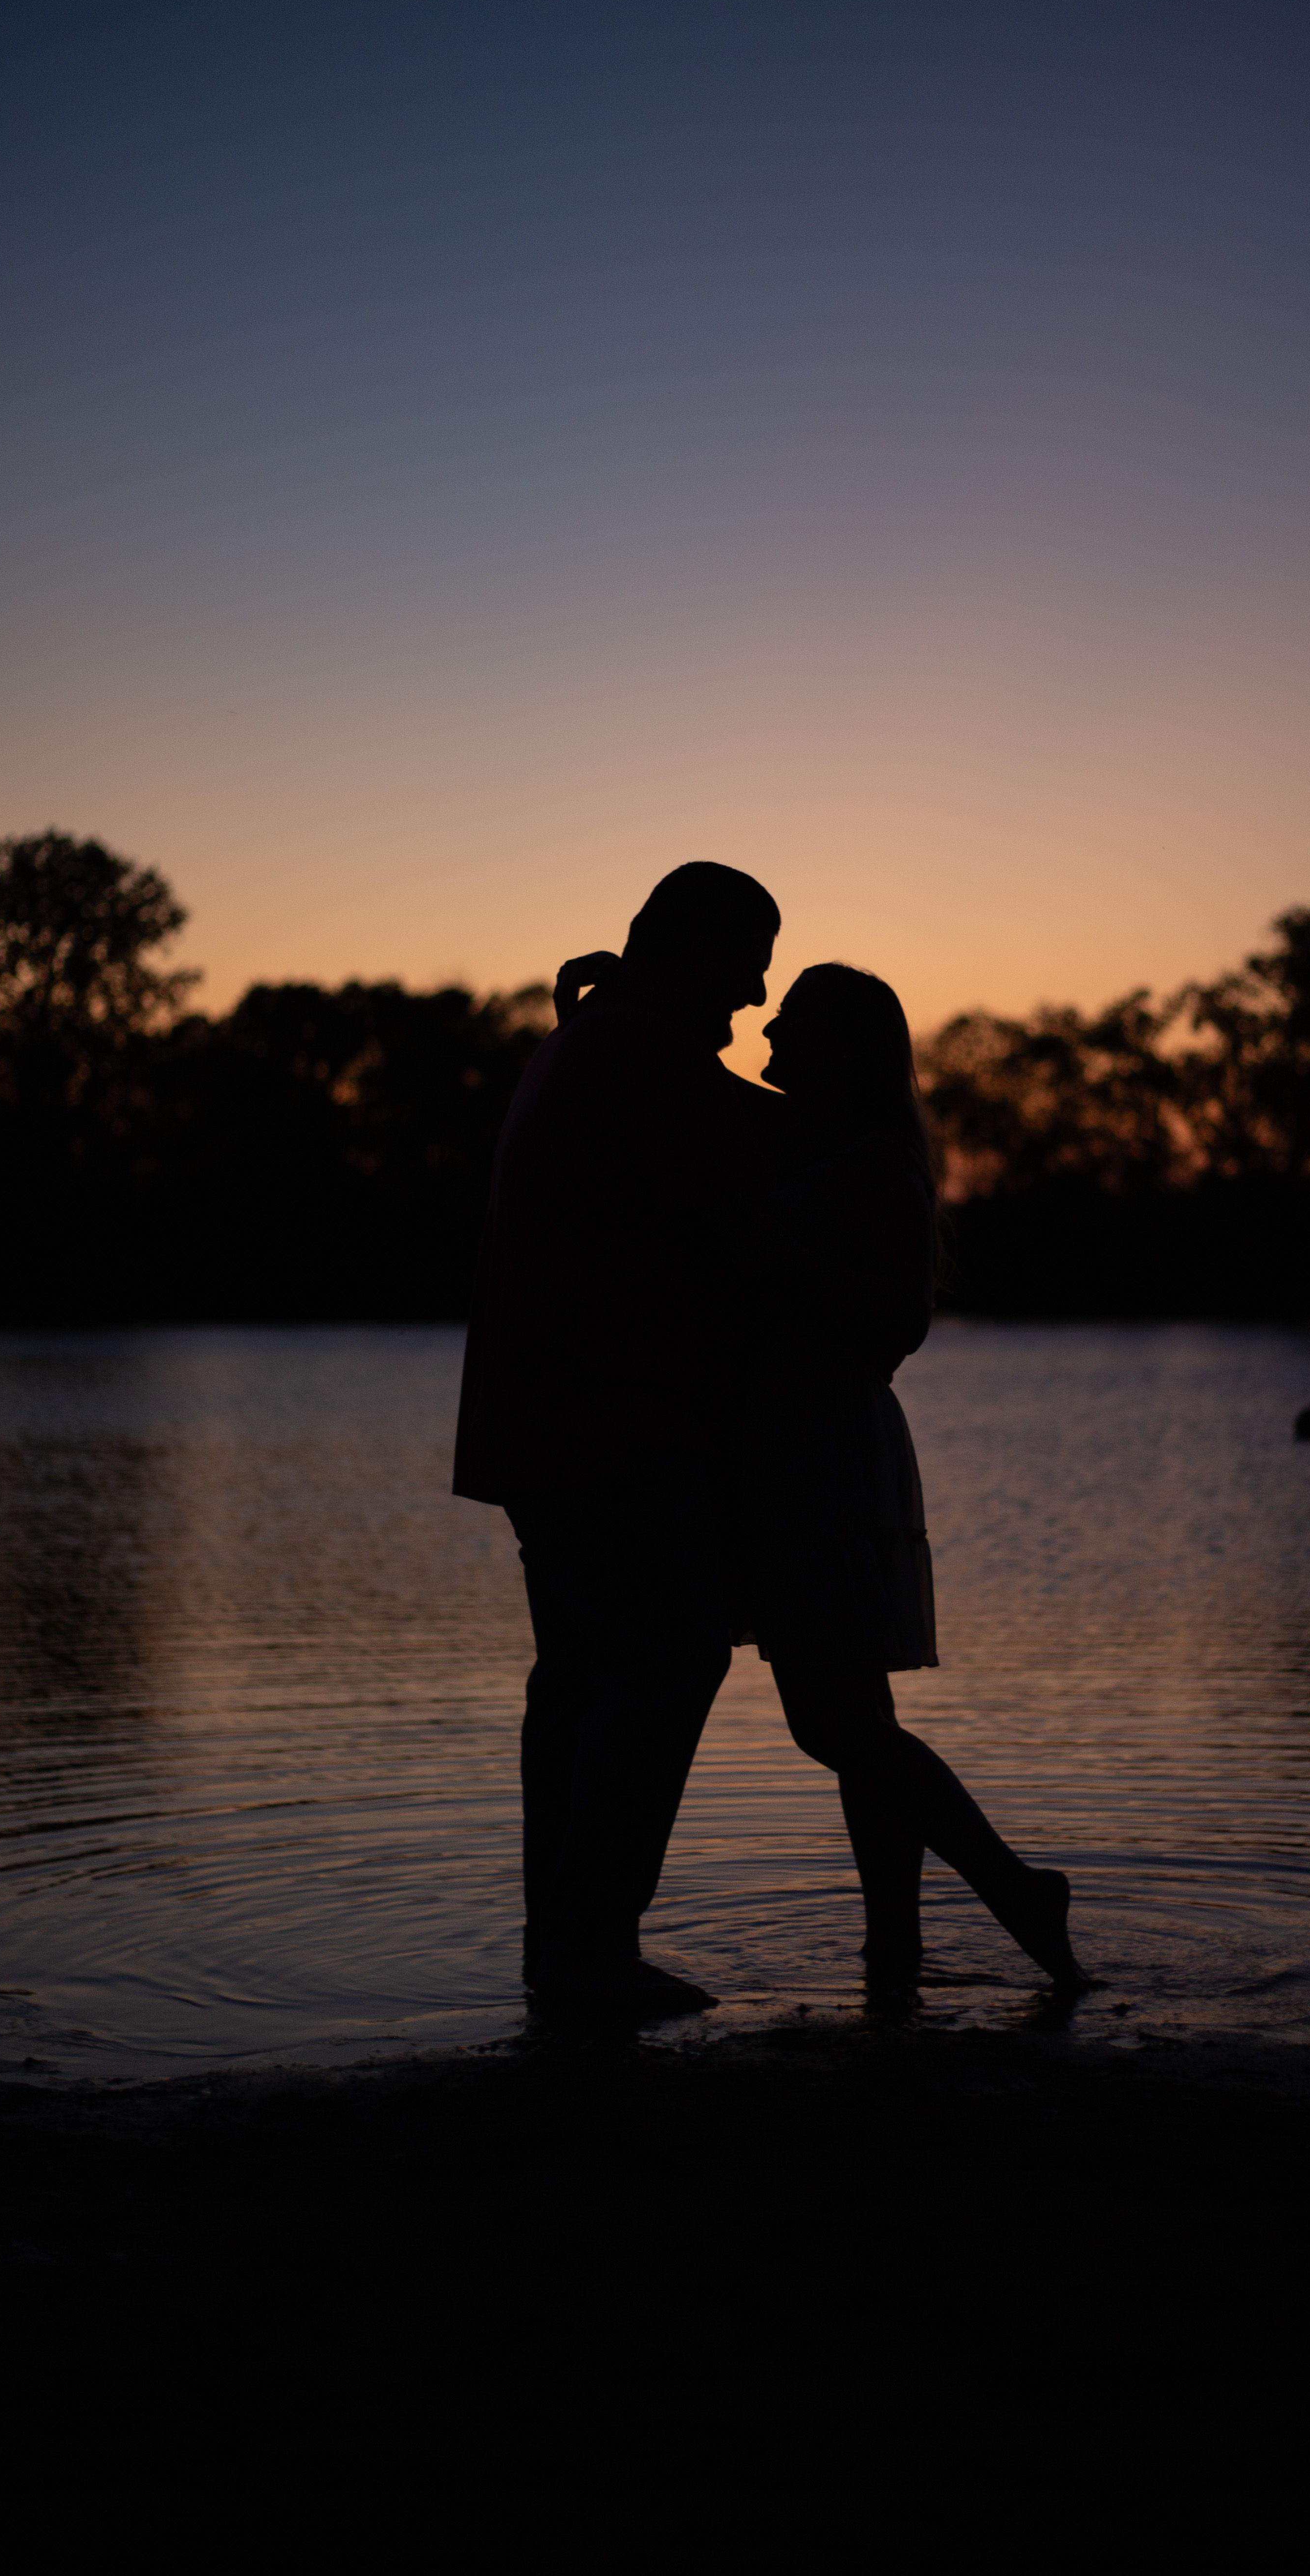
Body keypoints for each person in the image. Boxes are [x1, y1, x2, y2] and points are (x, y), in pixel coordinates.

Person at [453, 861, 783, 2019]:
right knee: (673, 1657)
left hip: (545, 1422)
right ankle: (591, 1948)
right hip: (609, 1428)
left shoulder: (601, 1041)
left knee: (581, 1678)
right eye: (749, 969)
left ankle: (562, 1949)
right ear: (696, 950)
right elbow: (769, 1193)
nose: (755, 999)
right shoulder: (647, 1054)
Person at [746, 963, 1082, 1992]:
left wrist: (771, 1259)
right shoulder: (791, 1134)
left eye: (794, 1021)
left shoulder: (879, 1163)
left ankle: (1016, 1888)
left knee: (832, 1723)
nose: (769, 1033)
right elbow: (679, 1080)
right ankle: (893, 1943)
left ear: (847, 1050)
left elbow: (903, 1321)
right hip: (786, 1450)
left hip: (833, 1454)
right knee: (861, 1723)